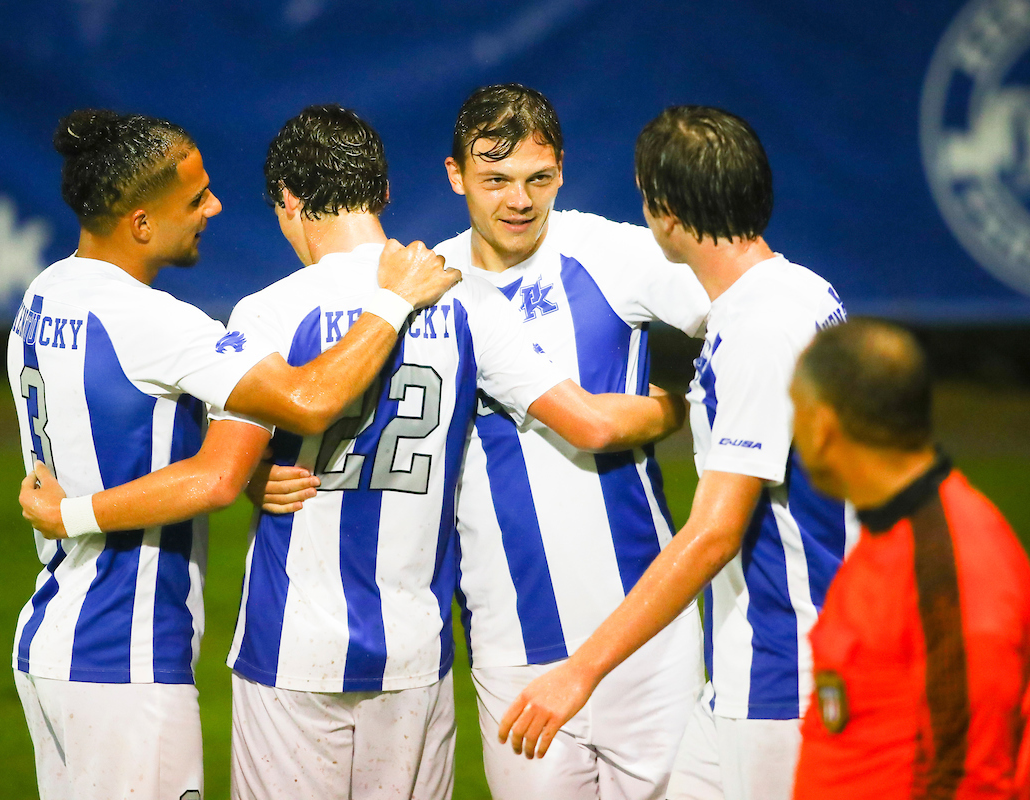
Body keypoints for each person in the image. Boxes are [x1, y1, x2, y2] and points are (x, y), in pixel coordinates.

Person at [29, 102, 688, 800]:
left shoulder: (271, 311)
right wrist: (672, 406)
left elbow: (224, 466)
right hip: (413, 651)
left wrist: (252, 472)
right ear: (384, 192)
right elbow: (587, 422)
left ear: (288, 202)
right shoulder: (460, 300)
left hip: (292, 652)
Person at [251, 85, 710, 800]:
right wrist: (257, 477)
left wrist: (706, 414)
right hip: (510, 646)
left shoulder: (615, 255)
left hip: (649, 634)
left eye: (538, 179)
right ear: (455, 175)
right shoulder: (427, 284)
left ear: (561, 171)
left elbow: (739, 314)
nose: (520, 201)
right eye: (496, 180)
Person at [9, 108, 458, 800]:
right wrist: (391, 303)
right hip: (123, 654)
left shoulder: (44, 295)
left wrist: (249, 467)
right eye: (194, 199)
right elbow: (304, 405)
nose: (214, 208)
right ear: (140, 222)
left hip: (50, 639)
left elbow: (169, 442)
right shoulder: (160, 323)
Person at [498, 105, 855, 800]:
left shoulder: (759, 328)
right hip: (753, 659)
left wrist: (582, 669)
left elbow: (717, 532)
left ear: (664, 212)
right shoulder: (798, 290)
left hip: (786, 671)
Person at [787, 319, 1030, 798]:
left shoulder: (950, 567)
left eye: (795, 410)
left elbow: (970, 782)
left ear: (822, 426)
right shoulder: (891, 533)